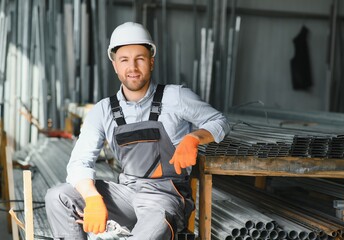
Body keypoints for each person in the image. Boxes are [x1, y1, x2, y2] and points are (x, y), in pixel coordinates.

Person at [45, 21, 230, 240]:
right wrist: (92, 197)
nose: (132, 67)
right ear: (114, 65)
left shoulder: (176, 96)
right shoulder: (103, 110)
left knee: (151, 229)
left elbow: (219, 121)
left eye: (140, 59)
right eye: (124, 60)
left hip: (165, 197)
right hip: (127, 195)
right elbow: (79, 162)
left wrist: (195, 137)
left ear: (151, 62)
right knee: (58, 196)